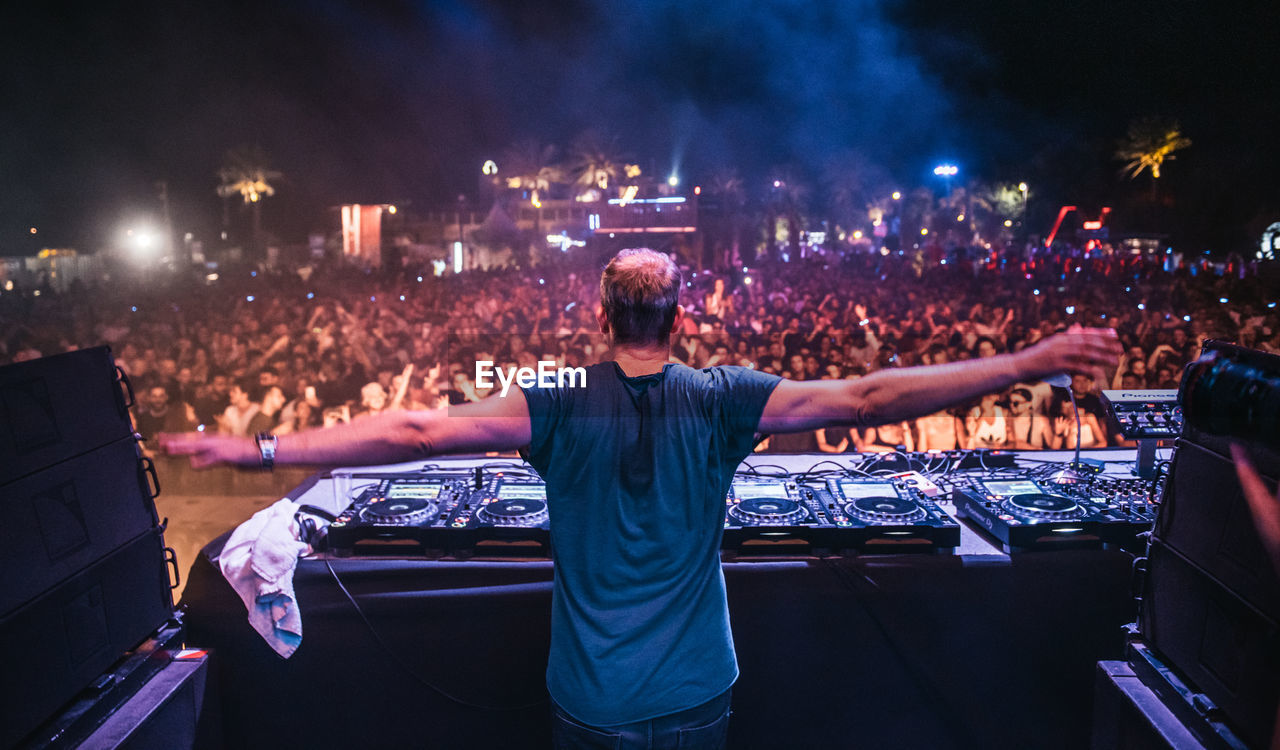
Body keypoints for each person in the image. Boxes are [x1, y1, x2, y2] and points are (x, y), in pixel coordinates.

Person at [162, 249, 1120, 750]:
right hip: (700, 688)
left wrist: (258, 450)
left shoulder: (561, 398)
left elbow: (413, 431)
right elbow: (870, 398)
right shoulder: (722, 395)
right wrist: (1028, 361)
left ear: (601, 319)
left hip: (592, 698)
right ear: (682, 318)